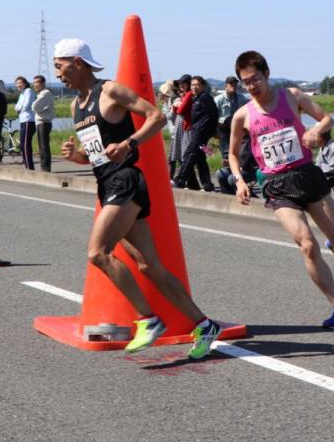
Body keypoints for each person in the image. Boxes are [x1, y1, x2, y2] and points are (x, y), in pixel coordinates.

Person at [54, 38, 221, 359]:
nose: (57, 73)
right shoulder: (77, 106)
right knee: (149, 266)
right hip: (107, 183)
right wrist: (78, 157)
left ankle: (148, 320)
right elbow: (98, 153)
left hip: (126, 181)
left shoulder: (109, 91)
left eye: (59, 66)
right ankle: (204, 325)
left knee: (98, 253)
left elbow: (156, 117)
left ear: (78, 62)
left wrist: (129, 143)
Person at [228, 50, 334, 329]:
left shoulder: (292, 97)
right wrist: (239, 180)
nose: (251, 86)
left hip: (307, 175)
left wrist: (315, 131)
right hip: (277, 185)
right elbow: (232, 154)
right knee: (307, 245)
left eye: (255, 79)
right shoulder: (242, 115)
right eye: (245, 82)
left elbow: (327, 119)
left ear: (267, 74)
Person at [173, 76, 218, 191]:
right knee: (200, 158)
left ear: (203, 86)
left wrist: (212, 131)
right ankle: (207, 185)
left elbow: (214, 114)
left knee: (190, 153)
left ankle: (180, 180)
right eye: (192, 85)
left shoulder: (205, 97)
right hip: (196, 130)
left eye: (197, 85)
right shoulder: (197, 98)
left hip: (201, 132)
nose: (194, 87)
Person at [214, 75, 244, 164]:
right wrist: (214, 131)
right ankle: (227, 166)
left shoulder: (242, 98)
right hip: (223, 129)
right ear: (226, 85)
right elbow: (213, 116)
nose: (233, 86)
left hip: (238, 128)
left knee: (239, 150)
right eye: (231, 84)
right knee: (226, 152)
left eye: (235, 84)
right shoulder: (218, 99)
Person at [32, 76, 55, 172]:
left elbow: (34, 107)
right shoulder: (41, 93)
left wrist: (35, 108)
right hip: (41, 122)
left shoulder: (45, 93)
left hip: (44, 122)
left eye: (37, 82)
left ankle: (45, 169)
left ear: (43, 83)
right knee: (42, 146)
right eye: (34, 83)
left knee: (43, 147)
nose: (35, 85)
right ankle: (44, 168)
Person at [14, 76, 37, 170]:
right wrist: (19, 108)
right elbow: (16, 106)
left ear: (25, 83)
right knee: (22, 144)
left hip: (29, 120)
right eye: (17, 83)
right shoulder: (22, 93)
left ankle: (29, 167)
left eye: (20, 83)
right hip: (23, 120)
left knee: (26, 144)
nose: (18, 85)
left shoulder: (28, 91)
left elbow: (27, 105)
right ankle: (26, 164)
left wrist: (20, 109)